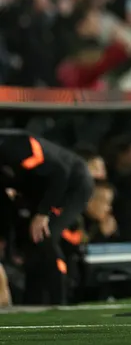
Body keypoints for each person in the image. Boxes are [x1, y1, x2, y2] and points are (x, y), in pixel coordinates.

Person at [0, 129, 94, 304]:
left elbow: (59, 173)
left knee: (44, 235)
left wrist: (43, 213)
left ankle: (60, 300)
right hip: (38, 191)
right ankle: (33, 300)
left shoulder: (16, 146)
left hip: (71, 184)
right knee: (29, 243)